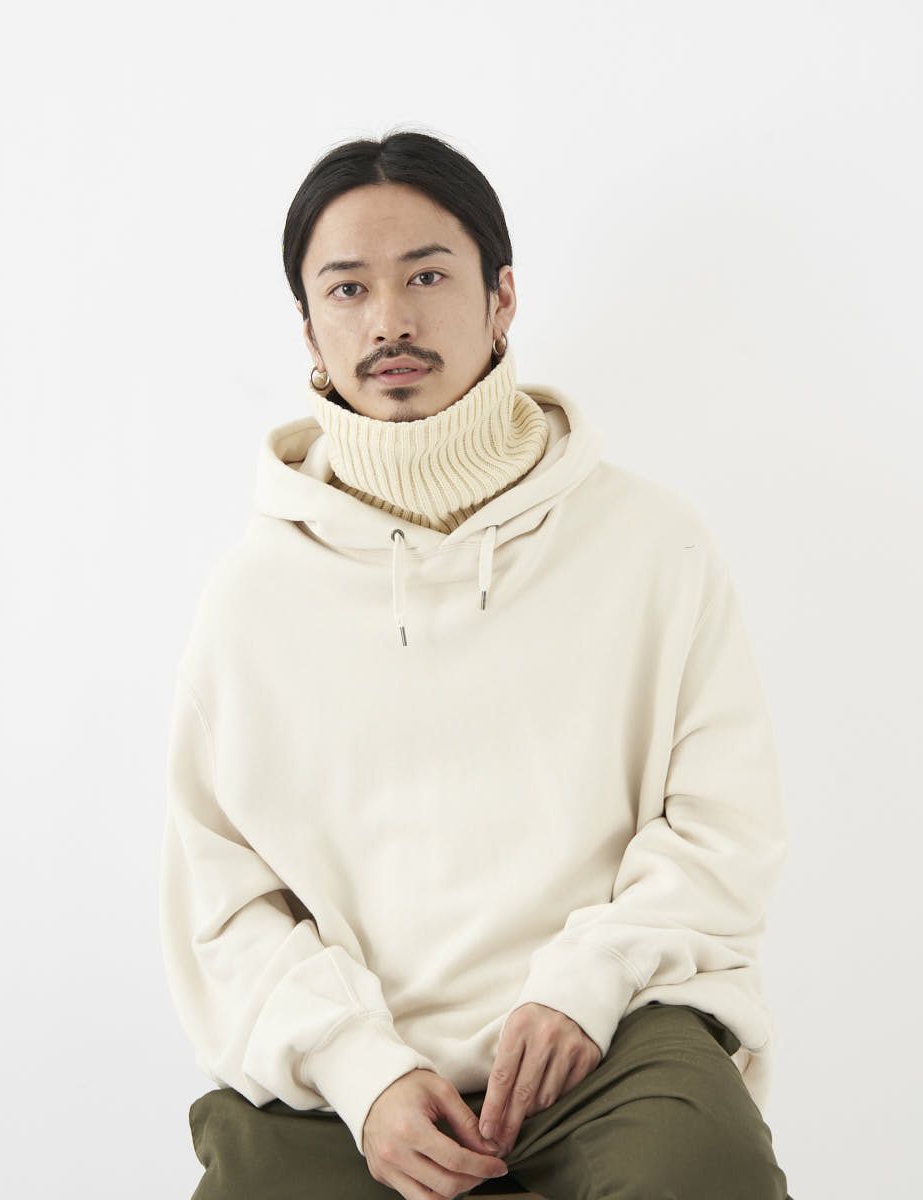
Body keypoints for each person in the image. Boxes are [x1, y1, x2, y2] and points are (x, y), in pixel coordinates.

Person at [159, 128, 793, 1199]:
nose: (389, 321)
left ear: (501, 299)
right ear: (310, 330)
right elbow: (223, 903)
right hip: (345, 1072)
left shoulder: (651, 544)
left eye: (426, 276)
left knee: (701, 1173)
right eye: (348, 289)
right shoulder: (252, 598)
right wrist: (361, 1070)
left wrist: (588, 982)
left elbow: (722, 824)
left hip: (608, 1032)